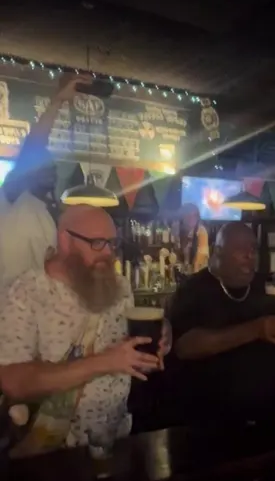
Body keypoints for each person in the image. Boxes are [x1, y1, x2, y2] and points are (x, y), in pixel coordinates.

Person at [0, 205, 165, 455]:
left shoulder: (119, 286)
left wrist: (154, 345)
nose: (108, 253)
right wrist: (103, 362)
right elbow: (13, 381)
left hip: (117, 438)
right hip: (52, 453)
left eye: (112, 243)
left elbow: (127, 351)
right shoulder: (26, 293)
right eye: (98, 243)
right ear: (65, 240)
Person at [168, 222, 275, 420]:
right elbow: (185, 346)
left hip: (272, 413)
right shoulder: (192, 290)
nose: (250, 255)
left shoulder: (266, 286)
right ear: (218, 251)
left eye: (253, 249)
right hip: (211, 418)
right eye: (241, 249)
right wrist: (256, 329)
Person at [0, 73, 91, 288]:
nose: (51, 173)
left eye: (52, 169)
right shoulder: (13, 198)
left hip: (42, 302)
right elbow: (35, 144)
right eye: (43, 167)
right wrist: (58, 101)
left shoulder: (50, 214)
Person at [174, 203, 210, 273]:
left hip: (199, 271)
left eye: (194, 216)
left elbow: (200, 257)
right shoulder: (177, 230)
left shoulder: (201, 231)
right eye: (188, 215)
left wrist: (194, 276)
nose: (191, 218)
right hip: (184, 270)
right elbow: (176, 254)